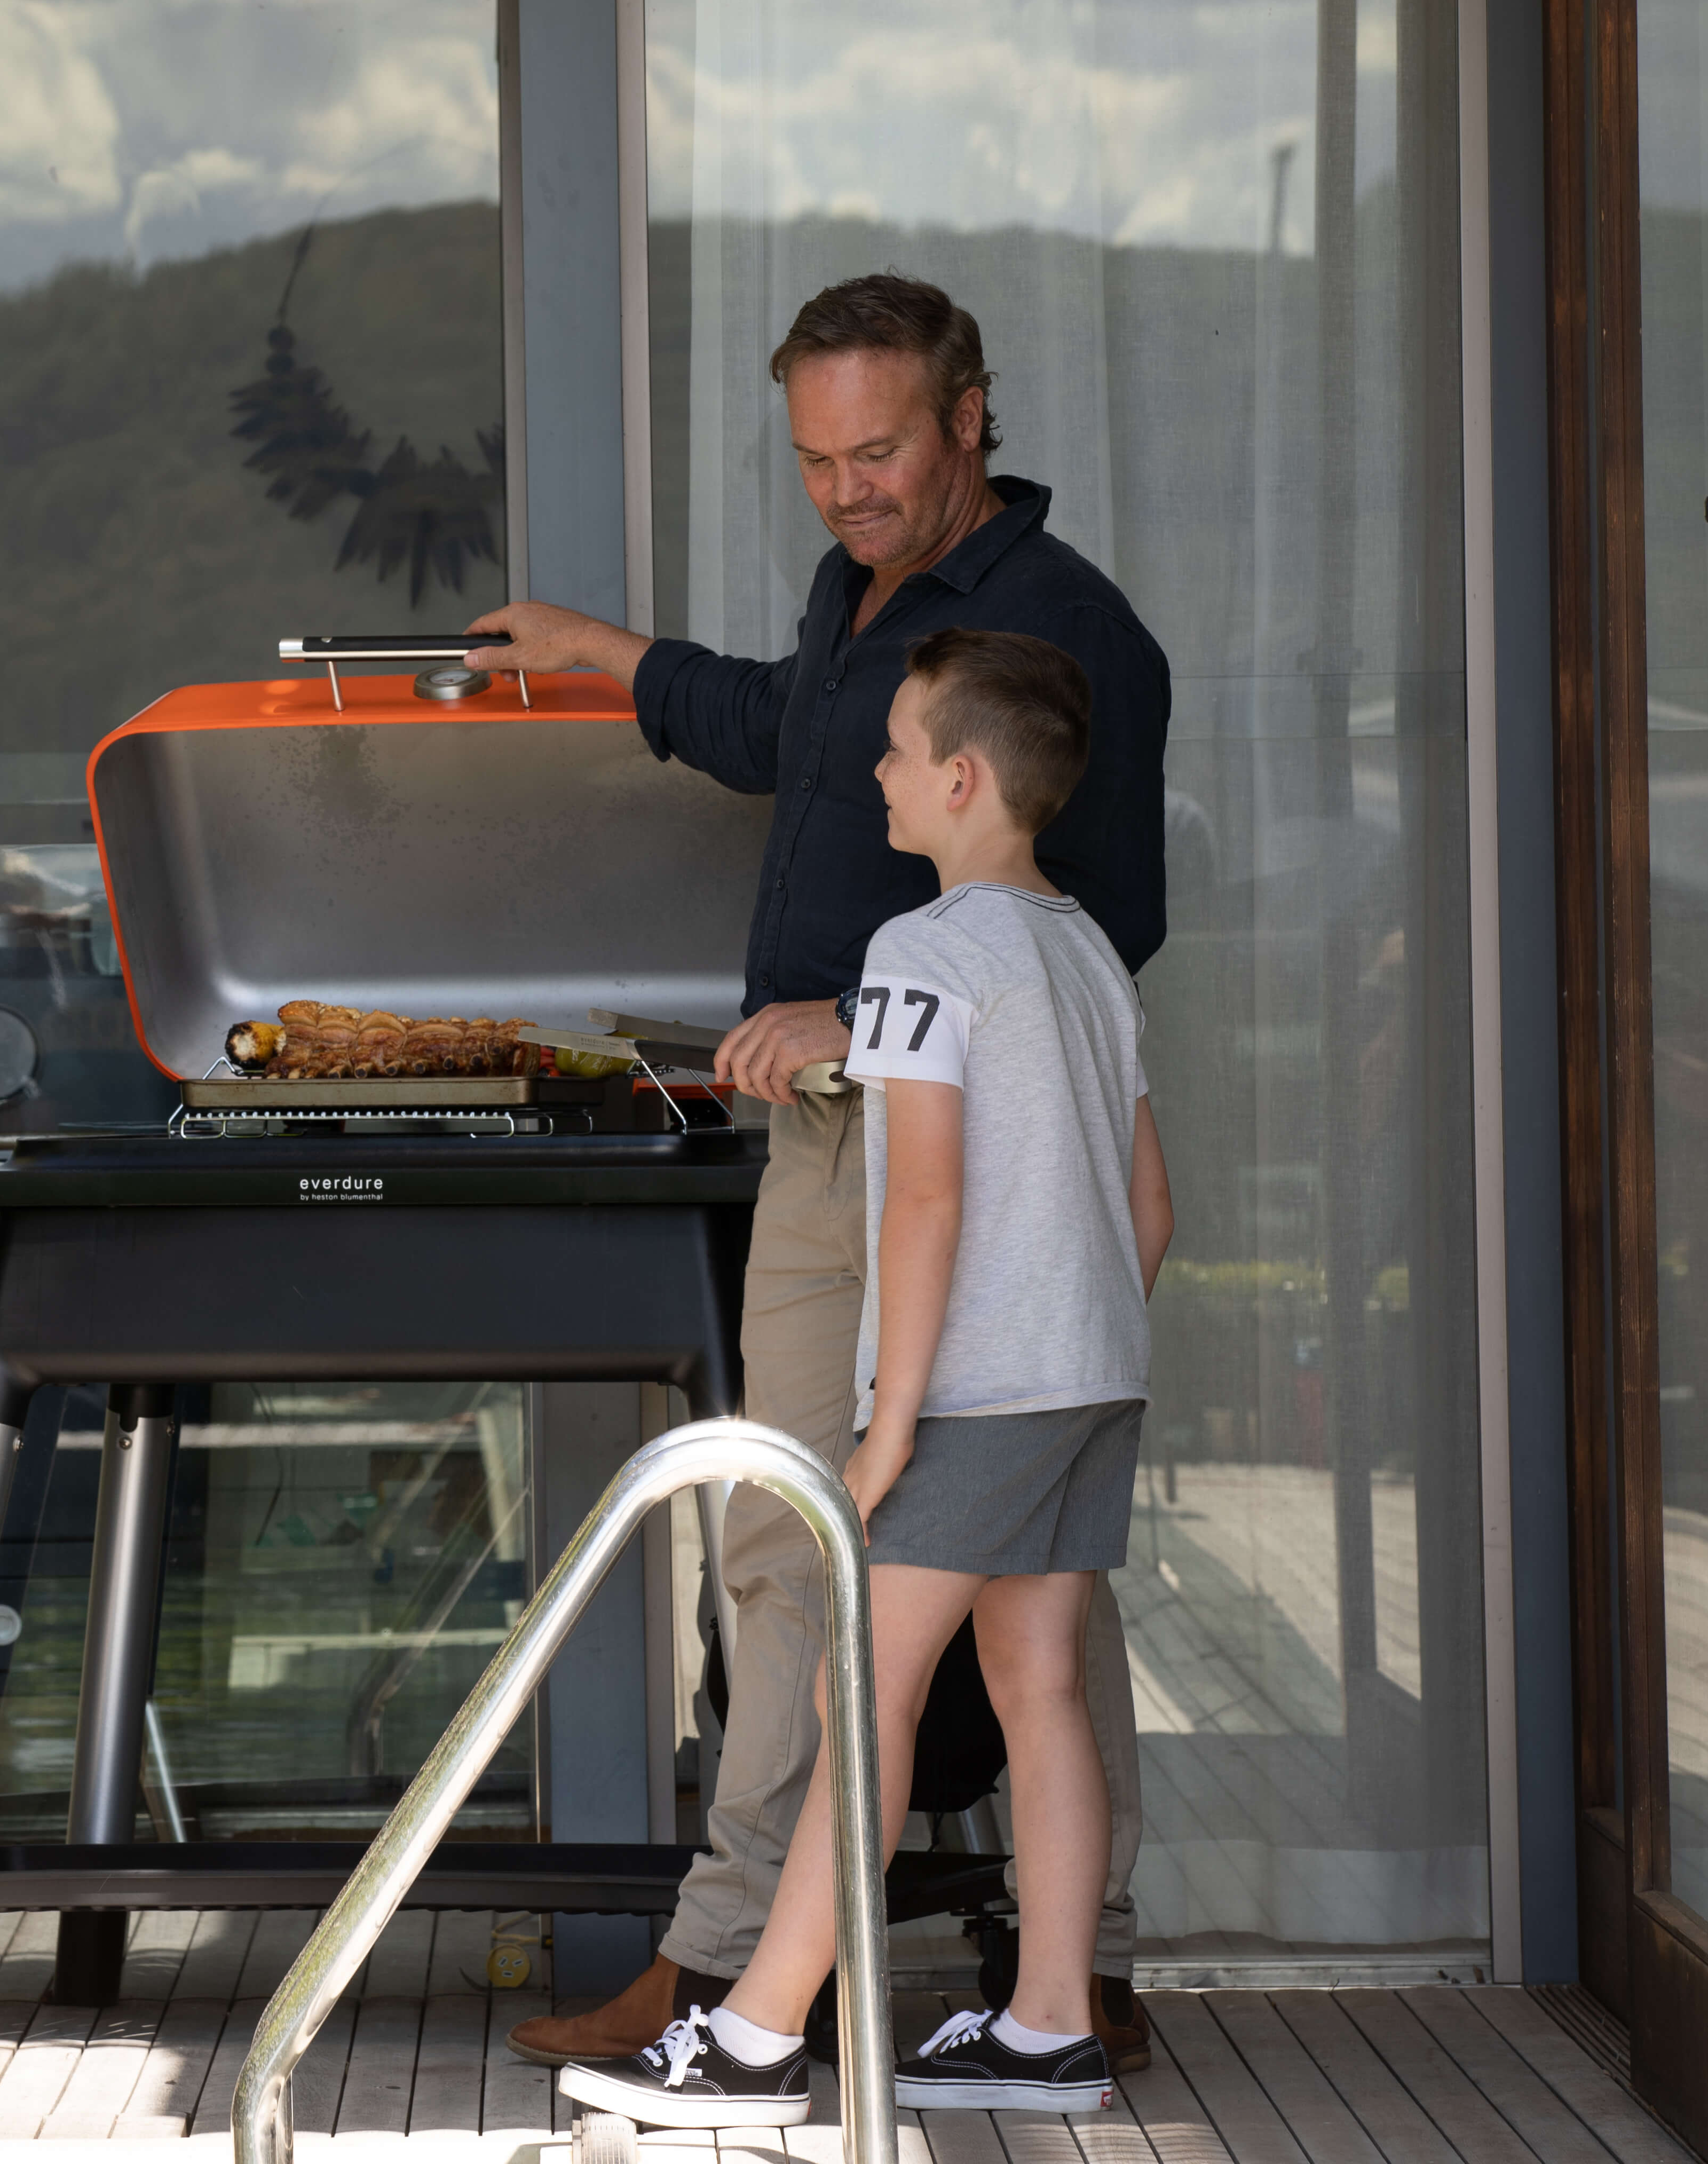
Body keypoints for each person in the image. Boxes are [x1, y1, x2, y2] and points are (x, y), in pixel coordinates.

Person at [462, 274, 1169, 2073]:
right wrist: (606, 659)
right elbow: (785, 724)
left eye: (877, 453)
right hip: (892, 1193)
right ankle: (1003, 1996)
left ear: (969, 420)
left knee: (839, 1580)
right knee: (862, 1592)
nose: (845, 489)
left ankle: (758, 2006)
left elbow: (1091, 930)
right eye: (813, 462)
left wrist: (858, 1026)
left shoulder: (1066, 635)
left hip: (940, 1176)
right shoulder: (867, 600)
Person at [558, 629, 1169, 2126]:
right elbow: (1153, 1207)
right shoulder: (1086, 950)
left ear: (959, 781)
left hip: (974, 1399)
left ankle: (755, 2042)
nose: (877, 772)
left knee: (863, 1693)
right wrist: (1073, 1337)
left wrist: (889, 1421)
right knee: (1039, 1697)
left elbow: (924, 1200)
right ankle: (1047, 2029)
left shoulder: (918, 954)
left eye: (895, 750)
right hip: (1092, 1385)